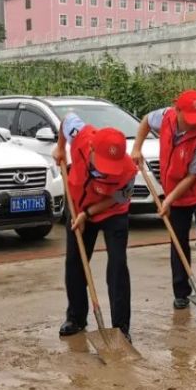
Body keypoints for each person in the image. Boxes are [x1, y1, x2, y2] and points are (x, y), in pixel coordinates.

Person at [132, 90, 196, 308]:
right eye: (188, 118)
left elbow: (193, 177)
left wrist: (168, 199)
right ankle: (181, 292)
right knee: (177, 238)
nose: (193, 123)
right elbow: (145, 121)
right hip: (174, 188)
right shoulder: (165, 117)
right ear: (177, 110)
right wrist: (136, 147)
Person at [52, 113, 137, 342]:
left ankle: (120, 328)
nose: (108, 171)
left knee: (118, 265)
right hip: (78, 204)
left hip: (112, 212)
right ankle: (76, 318)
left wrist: (88, 214)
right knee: (75, 263)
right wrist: (60, 148)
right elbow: (66, 120)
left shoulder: (129, 171)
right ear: (91, 149)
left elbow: (118, 198)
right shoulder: (80, 136)